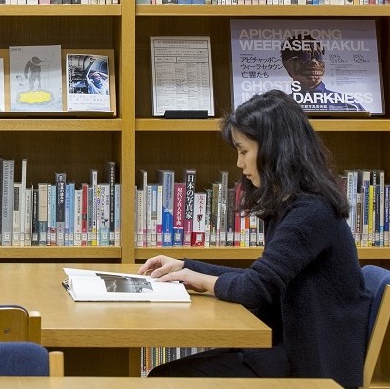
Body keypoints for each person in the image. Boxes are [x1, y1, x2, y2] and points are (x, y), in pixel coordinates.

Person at [138, 90, 372, 389]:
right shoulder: (293, 206)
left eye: (243, 150)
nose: (239, 163)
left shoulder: (311, 212)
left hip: (310, 364)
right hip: (288, 349)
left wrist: (196, 275)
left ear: (275, 151)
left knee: (165, 379)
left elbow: (254, 289)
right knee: (167, 375)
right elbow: (261, 278)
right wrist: (186, 266)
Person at [280, 33, 365, 112]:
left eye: (318, 57)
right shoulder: (280, 107)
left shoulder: (348, 105)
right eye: (305, 56)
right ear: (288, 65)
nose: (314, 62)